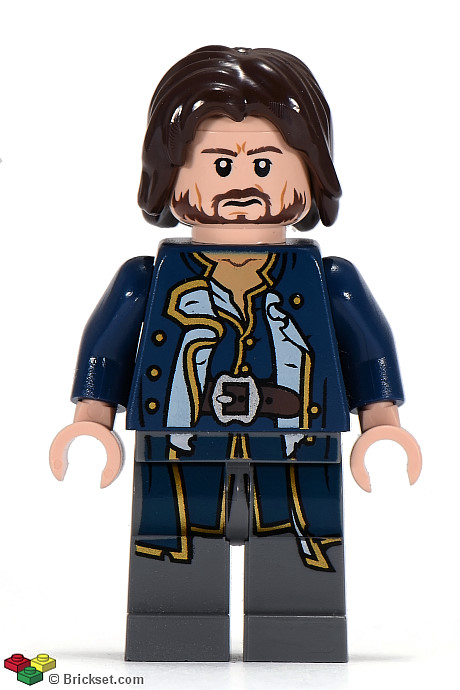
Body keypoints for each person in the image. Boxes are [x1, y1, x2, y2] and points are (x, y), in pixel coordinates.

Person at [50, 46, 421, 662]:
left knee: (301, 544)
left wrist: (382, 425)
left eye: (265, 163)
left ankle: (299, 629)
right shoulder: (148, 278)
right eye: (220, 164)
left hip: (300, 443)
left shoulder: (329, 280)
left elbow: (367, 351)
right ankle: (174, 628)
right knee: (171, 543)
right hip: (177, 442)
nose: (243, 183)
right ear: (169, 174)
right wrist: (92, 422)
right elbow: (107, 349)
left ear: (311, 171)